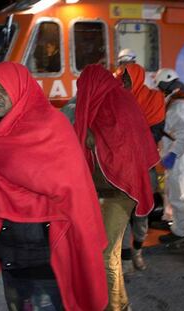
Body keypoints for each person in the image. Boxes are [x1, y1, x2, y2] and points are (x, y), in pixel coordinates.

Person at [0, 62, 108, 311]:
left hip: (46, 254)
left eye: (4, 89)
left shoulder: (51, 127)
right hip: (8, 253)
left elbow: (71, 189)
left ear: (21, 90)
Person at [74, 64, 159, 311]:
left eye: (84, 87)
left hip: (121, 190)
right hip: (102, 190)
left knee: (105, 253)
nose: (82, 93)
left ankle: (114, 306)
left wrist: (93, 138)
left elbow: (120, 144)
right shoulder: (102, 103)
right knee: (107, 254)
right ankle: (121, 304)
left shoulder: (117, 102)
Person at [118, 63, 166, 274]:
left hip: (144, 166)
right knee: (121, 214)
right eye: (123, 78)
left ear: (137, 78)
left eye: (128, 78)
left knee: (141, 217)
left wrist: (133, 139)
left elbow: (156, 132)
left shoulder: (153, 99)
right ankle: (127, 259)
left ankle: (137, 249)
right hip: (120, 167)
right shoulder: (116, 100)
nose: (125, 82)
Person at [154, 68, 184, 243]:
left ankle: (180, 231)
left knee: (180, 194)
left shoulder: (179, 105)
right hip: (174, 155)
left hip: (179, 156)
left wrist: (172, 155)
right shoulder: (175, 102)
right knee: (172, 191)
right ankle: (176, 223)